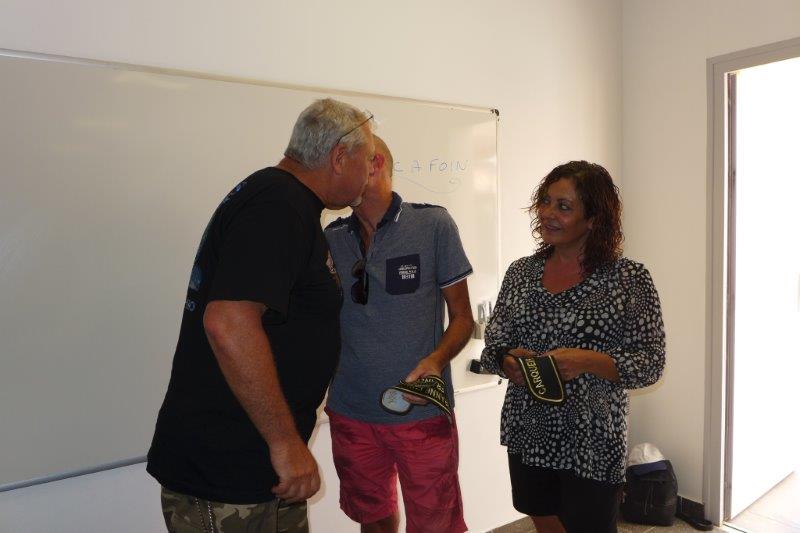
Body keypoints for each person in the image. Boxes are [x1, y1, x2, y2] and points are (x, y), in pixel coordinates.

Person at [147, 98, 376, 533]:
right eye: (368, 160)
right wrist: (285, 443)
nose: (369, 172)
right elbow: (228, 323)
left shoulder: (286, 203)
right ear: (339, 157)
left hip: (261, 466)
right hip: (228, 466)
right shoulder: (278, 206)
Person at [480, 161, 666, 533]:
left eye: (563, 206)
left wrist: (588, 361)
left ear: (594, 219)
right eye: (545, 202)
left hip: (592, 436)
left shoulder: (629, 278)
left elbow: (651, 363)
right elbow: (494, 344)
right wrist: (507, 359)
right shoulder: (521, 273)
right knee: (544, 521)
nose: (548, 213)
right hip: (530, 428)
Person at [323, 136, 474, 533]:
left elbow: (463, 318)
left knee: (436, 525)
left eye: (340, 161)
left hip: (421, 411)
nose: (332, 171)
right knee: (372, 519)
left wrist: (436, 361)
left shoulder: (433, 225)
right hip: (351, 410)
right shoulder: (331, 237)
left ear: (373, 164)